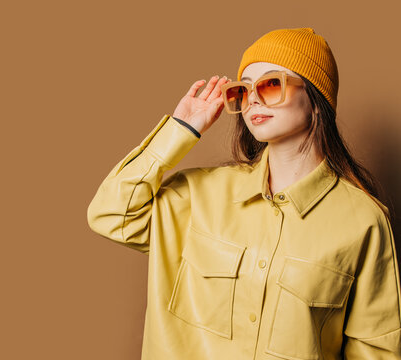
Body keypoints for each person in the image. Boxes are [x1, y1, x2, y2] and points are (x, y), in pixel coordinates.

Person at [87, 27, 401, 359]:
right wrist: (181, 130)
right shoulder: (198, 195)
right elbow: (110, 213)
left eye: (270, 84)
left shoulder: (363, 220)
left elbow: (376, 349)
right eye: (243, 90)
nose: (253, 98)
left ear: (316, 98)